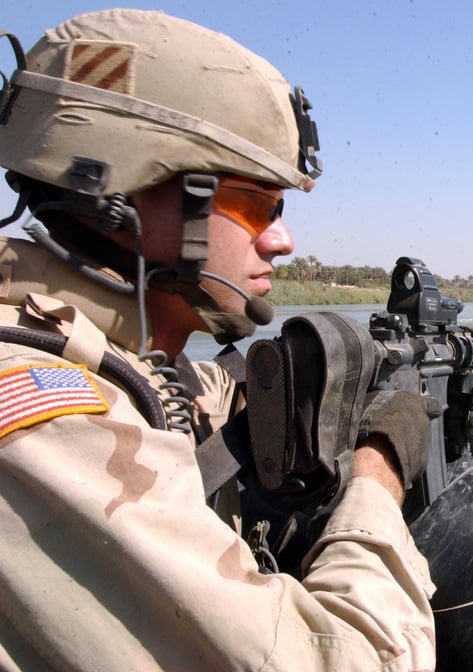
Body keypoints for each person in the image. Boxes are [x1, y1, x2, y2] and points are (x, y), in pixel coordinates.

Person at [0, 9, 438, 670]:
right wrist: (379, 470)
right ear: (117, 201)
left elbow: (173, 386)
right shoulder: (47, 421)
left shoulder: (89, 347)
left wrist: (301, 367)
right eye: (258, 205)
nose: (282, 241)